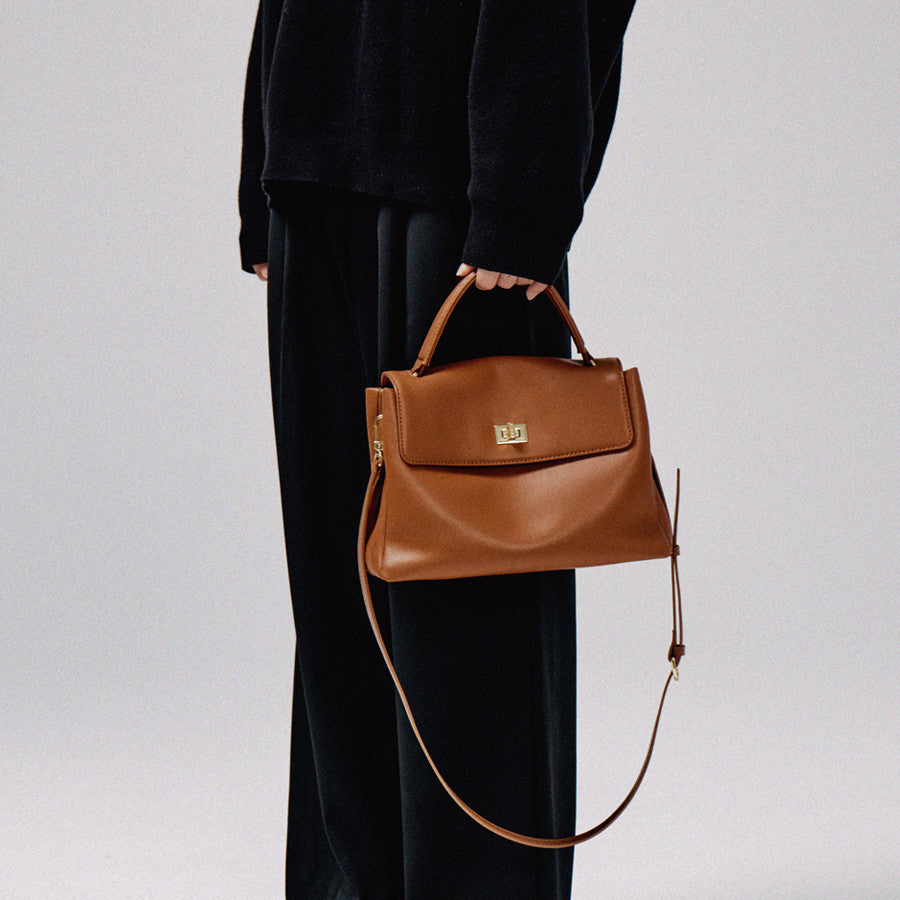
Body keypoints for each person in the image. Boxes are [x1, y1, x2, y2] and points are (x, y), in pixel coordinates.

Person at [239, 2, 636, 897]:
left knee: (469, 587)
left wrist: (524, 196)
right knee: (344, 580)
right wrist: (261, 179)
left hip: (460, 192)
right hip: (311, 166)